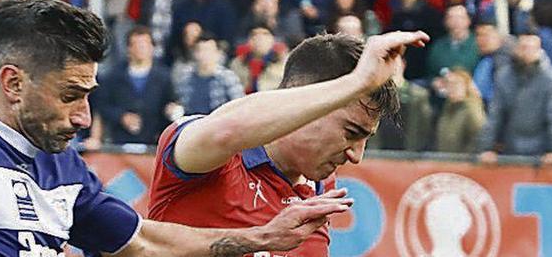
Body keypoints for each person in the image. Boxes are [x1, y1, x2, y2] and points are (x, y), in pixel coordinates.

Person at [0, 0, 351, 256]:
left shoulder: (62, 165)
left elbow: (142, 240)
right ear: (12, 83)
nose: (83, 116)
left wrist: (262, 238)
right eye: (69, 96)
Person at [148, 31, 429, 256]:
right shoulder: (205, 151)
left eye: (366, 138)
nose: (356, 155)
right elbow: (226, 131)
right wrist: (356, 82)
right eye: (351, 132)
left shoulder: (319, 187)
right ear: (305, 104)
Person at [478, 31, 552, 165]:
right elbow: (495, 115)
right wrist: (486, 147)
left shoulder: (551, 79)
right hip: (510, 147)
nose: (526, 52)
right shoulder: (503, 76)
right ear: (516, 49)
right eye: (523, 47)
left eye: (531, 48)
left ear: (539, 51)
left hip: (540, 151)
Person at [93, 26, 179, 145]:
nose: (141, 49)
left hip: (153, 143)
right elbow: (102, 106)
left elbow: (172, 103)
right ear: (129, 48)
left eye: (144, 45)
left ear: (152, 47)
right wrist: (121, 117)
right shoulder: (113, 76)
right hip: (120, 142)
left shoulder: (164, 77)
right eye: (136, 45)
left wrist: (171, 110)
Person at [174, 33, 244, 116]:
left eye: (209, 50)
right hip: (192, 124)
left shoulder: (227, 78)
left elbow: (239, 106)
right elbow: (181, 104)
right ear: (194, 54)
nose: (205, 54)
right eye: (200, 50)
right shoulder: (185, 78)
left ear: (218, 53)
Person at [434, 68, 486, 154]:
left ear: (466, 86)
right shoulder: (447, 109)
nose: (451, 88)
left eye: (456, 84)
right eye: (448, 84)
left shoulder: (472, 109)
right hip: (444, 162)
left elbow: (479, 136)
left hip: (464, 163)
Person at [426, 5, 480, 79]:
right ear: (445, 21)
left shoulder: (479, 43)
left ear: (468, 20)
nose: (456, 22)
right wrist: (434, 82)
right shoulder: (438, 46)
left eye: (460, 18)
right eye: (451, 18)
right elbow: (430, 74)